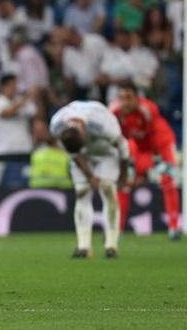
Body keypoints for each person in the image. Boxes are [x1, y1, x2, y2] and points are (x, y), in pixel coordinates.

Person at [50, 100, 129, 259]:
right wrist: (90, 177)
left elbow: (123, 146)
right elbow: (74, 153)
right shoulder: (57, 125)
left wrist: (123, 176)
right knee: (82, 192)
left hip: (106, 151)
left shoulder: (103, 125)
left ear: (83, 132)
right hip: (81, 155)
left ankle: (111, 245)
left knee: (108, 189)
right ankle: (83, 246)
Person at [111, 82, 181, 239]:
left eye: (129, 98)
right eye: (122, 98)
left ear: (138, 98)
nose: (125, 102)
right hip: (138, 147)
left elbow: (151, 138)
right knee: (124, 183)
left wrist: (147, 171)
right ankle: (117, 229)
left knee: (168, 179)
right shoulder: (114, 111)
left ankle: (174, 227)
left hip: (160, 144)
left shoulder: (148, 110)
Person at [0, 74, 37, 162]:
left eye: (15, 85)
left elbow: (35, 113)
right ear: (2, 87)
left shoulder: (22, 101)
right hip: (4, 150)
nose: (14, 88)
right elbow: (5, 113)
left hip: (25, 148)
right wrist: (25, 98)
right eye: (11, 85)